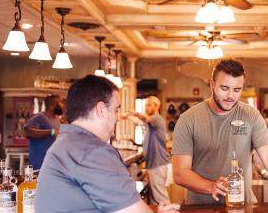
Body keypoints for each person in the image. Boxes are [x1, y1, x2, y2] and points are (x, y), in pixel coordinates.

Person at [172, 59, 268, 205]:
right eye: (224, 88)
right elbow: (180, 172)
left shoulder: (251, 115)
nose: (230, 96)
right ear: (212, 85)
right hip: (201, 207)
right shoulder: (188, 119)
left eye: (236, 90)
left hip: (243, 205)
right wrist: (211, 186)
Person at [35, 75, 179, 213]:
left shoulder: (65, 143)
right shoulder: (93, 151)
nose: (117, 118)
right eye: (116, 110)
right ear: (101, 110)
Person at [127, 96, 171, 205]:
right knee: (156, 199)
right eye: (146, 105)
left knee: (161, 199)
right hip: (155, 164)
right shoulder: (151, 123)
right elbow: (140, 123)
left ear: (156, 106)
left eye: (149, 105)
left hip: (158, 163)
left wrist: (134, 113)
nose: (146, 107)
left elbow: (144, 119)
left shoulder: (157, 119)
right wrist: (127, 117)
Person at [24, 94, 64, 170]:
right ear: (52, 106)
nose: (63, 105)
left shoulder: (56, 119)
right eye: (60, 102)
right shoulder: (39, 117)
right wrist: (52, 132)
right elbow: (27, 131)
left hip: (52, 163)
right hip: (39, 164)